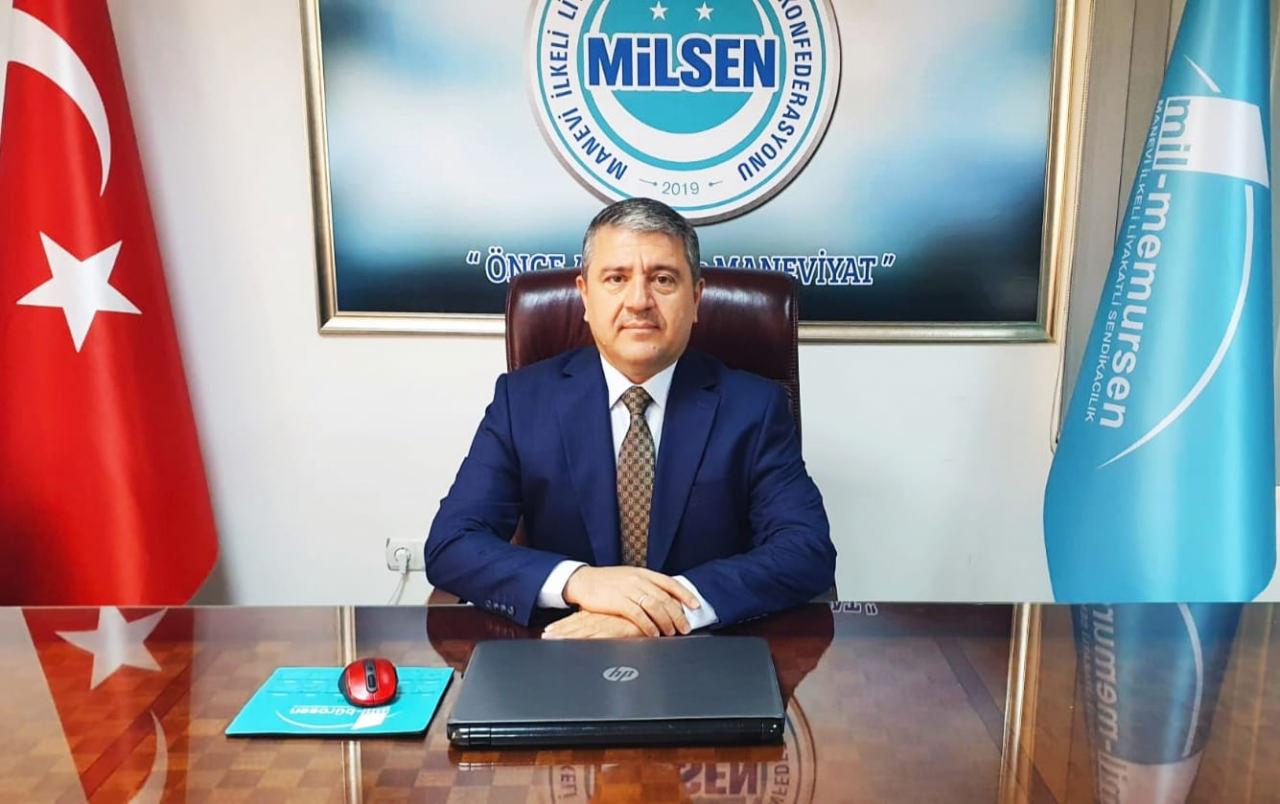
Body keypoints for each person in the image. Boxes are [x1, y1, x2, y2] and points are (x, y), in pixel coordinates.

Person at [425, 198, 835, 638]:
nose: (639, 301)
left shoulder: (753, 408)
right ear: (585, 295)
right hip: (564, 646)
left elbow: (806, 550)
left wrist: (661, 610)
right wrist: (580, 582)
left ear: (696, 298)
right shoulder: (522, 401)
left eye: (663, 279)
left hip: (707, 652)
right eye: (616, 278)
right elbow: (452, 543)